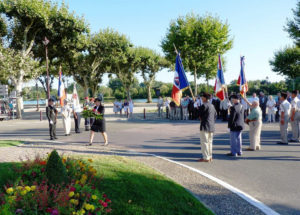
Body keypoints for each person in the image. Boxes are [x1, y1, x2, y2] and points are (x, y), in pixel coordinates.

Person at [198, 93, 217, 162]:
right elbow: (215, 116)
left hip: (205, 126)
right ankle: (210, 156)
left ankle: (206, 157)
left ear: (205, 98)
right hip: (211, 126)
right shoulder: (212, 106)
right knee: (210, 142)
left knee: (205, 142)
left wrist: (198, 109)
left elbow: (199, 116)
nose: (201, 99)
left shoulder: (203, 106)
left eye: (202, 97)